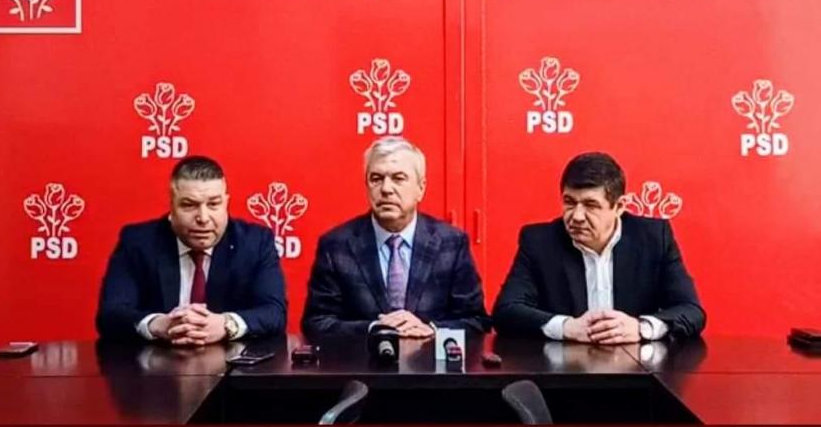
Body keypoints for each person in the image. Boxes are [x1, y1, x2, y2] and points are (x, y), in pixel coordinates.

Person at [493, 152, 705, 342]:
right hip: (564, 368)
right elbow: (506, 312)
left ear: (619, 206)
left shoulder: (653, 238)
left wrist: (641, 328)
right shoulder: (540, 241)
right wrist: (566, 327)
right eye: (569, 202)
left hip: (635, 367)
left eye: (591, 205)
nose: (577, 216)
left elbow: (691, 311)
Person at [302, 136, 490, 337]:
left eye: (398, 178)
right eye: (376, 179)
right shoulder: (337, 246)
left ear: (421, 188)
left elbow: (477, 321)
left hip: (428, 356)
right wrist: (374, 328)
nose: (386, 189)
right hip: (363, 357)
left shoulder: (451, 244)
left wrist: (431, 330)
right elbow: (316, 322)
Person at [96, 156, 286, 344]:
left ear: (226, 203)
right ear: (172, 205)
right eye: (189, 205)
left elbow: (274, 312)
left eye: (213, 204)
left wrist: (226, 324)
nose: (203, 218)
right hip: (156, 360)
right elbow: (111, 313)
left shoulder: (255, 243)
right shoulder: (138, 243)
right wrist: (157, 324)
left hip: (232, 361)